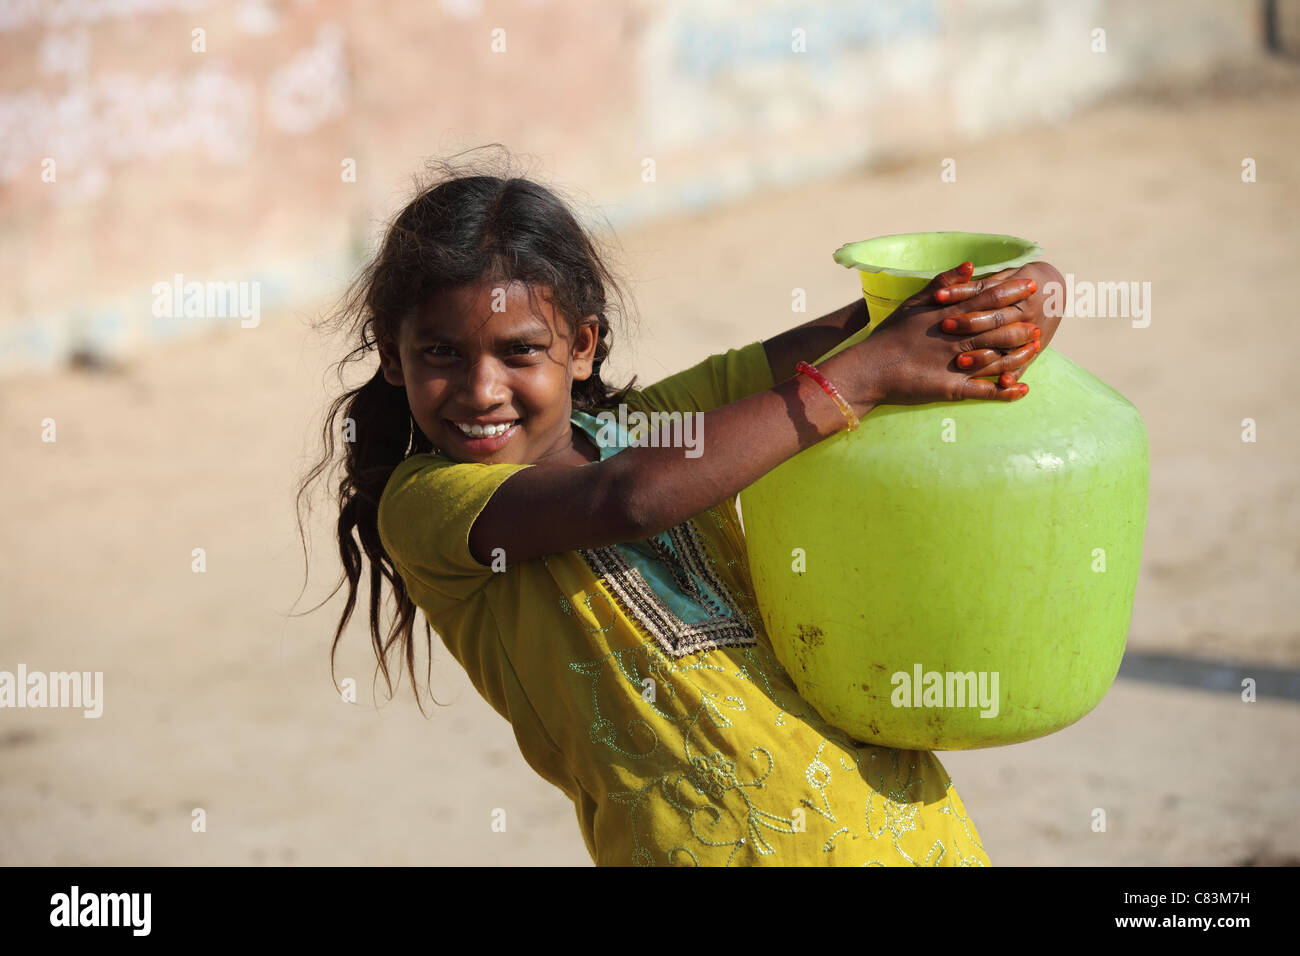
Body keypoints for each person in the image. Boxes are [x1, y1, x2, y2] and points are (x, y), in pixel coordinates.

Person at [299, 152, 1063, 866]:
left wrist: (1012, 303)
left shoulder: (649, 427)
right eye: (442, 354)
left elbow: (876, 327)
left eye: (520, 350)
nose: (481, 389)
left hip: (907, 833)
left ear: (584, 346)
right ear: (392, 357)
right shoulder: (430, 503)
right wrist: (857, 382)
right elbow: (627, 499)